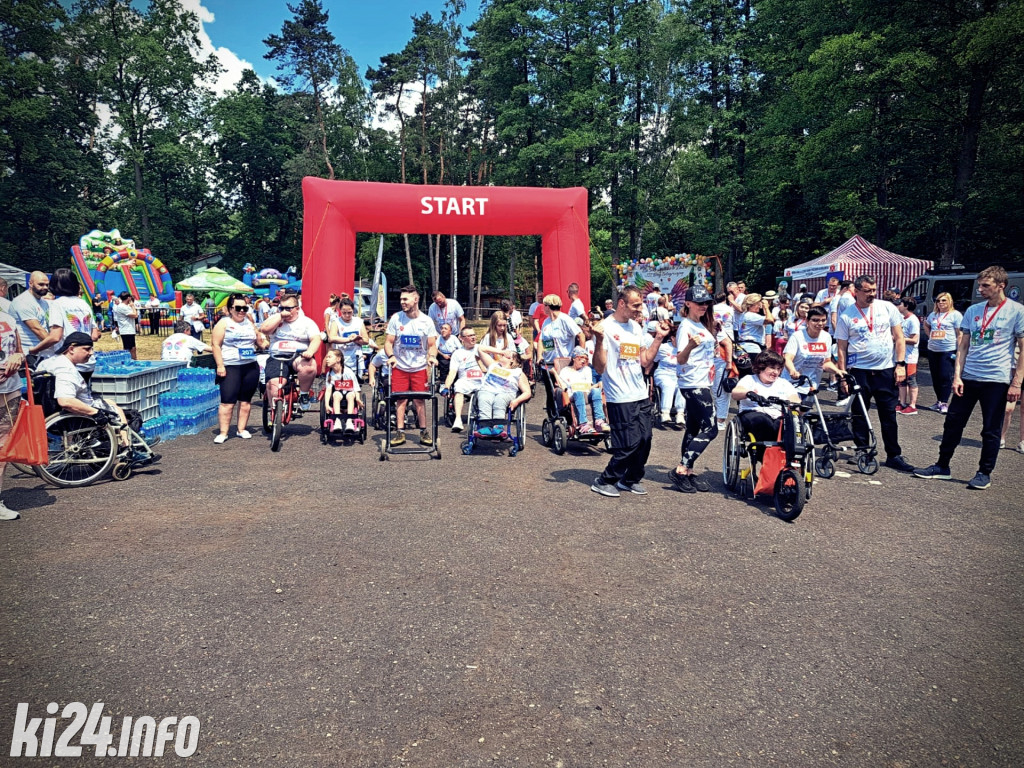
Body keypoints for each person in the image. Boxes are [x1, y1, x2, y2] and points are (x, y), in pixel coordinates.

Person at [914, 266, 1024, 490]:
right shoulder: (974, 311)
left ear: (1001, 285)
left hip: (997, 379)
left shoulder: (1017, 311)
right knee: (953, 422)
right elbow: (963, 346)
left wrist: (1016, 382)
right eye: (980, 285)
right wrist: (957, 376)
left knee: (990, 430)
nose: (980, 289)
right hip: (969, 377)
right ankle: (942, 466)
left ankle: (984, 472)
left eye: (986, 286)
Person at [590, 286, 671, 497]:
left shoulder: (636, 327)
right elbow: (599, 368)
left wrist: (659, 338)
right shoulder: (605, 328)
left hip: (640, 393)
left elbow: (644, 360)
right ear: (621, 303)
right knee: (629, 443)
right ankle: (605, 480)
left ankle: (630, 479)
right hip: (619, 395)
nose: (639, 309)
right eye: (635, 305)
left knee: (645, 441)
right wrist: (598, 341)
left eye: (641, 305)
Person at [835, 274, 914, 473]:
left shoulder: (886, 307)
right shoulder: (847, 315)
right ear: (857, 292)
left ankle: (894, 454)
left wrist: (901, 364)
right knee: (859, 414)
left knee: (888, 414)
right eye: (867, 291)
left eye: (874, 290)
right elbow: (842, 348)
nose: (872, 294)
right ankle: (862, 450)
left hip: (885, 370)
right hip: (859, 371)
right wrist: (843, 375)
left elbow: (899, 337)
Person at [37, 332, 152, 463]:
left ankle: (131, 442)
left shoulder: (49, 362)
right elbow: (65, 401)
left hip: (51, 411)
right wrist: (95, 412)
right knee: (124, 413)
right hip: (77, 415)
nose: (91, 353)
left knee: (109, 402)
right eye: (86, 349)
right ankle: (128, 448)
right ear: (71, 349)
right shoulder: (66, 371)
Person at [670, 286, 719, 492]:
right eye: (699, 303)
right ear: (688, 304)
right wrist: (690, 346)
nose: (704, 306)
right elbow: (680, 359)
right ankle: (681, 469)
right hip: (693, 384)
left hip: (701, 381)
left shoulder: (701, 324)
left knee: (693, 428)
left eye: (706, 302)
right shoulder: (686, 327)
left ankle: (688, 471)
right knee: (711, 429)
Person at [384, 284, 439, 447]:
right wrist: (391, 356)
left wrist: (432, 357)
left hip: (419, 367)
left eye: (405, 299)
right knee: (400, 400)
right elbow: (388, 342)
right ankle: (399, 432)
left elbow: (432, 345)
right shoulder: (396, 318)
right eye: (401, 299)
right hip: (400, 366)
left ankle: (424, 431)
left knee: (419, 400)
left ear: (415, 299)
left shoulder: (426, 321)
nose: (402, 302)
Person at [259, 292, 322, 412]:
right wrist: (280, 316)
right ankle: (275, 412)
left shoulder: (307, 322)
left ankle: (304, 394)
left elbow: (316, 339)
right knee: (273, 385)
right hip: (277, 355)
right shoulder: (276, 319)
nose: (284, 311)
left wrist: (310, 351)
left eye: (288, 308)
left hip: (298, 355)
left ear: (297, 309)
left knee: (309, 366)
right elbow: (264, 330)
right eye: (281, 308)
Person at [211, 295, 260, 443]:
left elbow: (258, 340)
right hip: (230, 365)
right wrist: (220, 365)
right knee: (227, 401)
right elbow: (215, 345)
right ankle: (223, 432)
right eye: (238, 308)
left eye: (245, 308)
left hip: (250, 365)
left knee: (245, 400)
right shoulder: (224, 323)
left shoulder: (249, 322)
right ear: (230, 309)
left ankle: (241, 429)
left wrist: (262, 342)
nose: (241, 311)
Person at [731, 350, 802, 446]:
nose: (776, 372)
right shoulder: (749, 379)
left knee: (788, 423)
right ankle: (765, 455)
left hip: (778, 416)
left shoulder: (784, 383)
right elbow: (735, 393)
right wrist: (748, 393)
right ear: (761, 367)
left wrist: (798, 406)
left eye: (778, 369)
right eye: (772, 368)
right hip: (753, 413)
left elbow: (794, 398)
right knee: (763, 421)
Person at [45, 268, 101, 382]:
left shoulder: (57, 304)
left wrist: (33, 350)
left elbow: (56, 336)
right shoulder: (84, 304)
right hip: (88, 361)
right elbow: (95, 335)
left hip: (69, 361)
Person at [0, 307, 25, 519]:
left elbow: (19, 351)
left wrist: (17, 357)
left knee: (2, 450)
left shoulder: (8, 319)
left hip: (9, 391)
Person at [782, 306, 843, 392]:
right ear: (807, 321)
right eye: (815, 320)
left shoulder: (826, 337)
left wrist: (837, 371)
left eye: (823, 320)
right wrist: (792, 371)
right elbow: (787, 358)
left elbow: (826, 362)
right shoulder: (797, 336)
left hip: (812, 385)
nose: (820, 323)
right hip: (793, 383)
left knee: (809, 405)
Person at [921, 292, 962, 413]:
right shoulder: (933, 315)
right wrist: (930, 336)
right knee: (935, 377)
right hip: (933, 349)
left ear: (949, 301)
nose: (940, 303)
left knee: (945, 376)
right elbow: (926, 325)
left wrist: (959, 348)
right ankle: (938, 401)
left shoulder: (955, 315)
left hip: (947, 349)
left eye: (944, 300)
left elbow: (959, 333)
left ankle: (944, 402)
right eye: (938, 301)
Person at [474, 349, 531, 436]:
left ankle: (498, 428)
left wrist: (516, 401)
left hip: (506, 393)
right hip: (487, 390)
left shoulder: (518, 372)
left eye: (507, 354)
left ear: (512, 359)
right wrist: (500, 352)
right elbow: (480, 349)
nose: (503, 355)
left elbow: (527, 392)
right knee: (484, 398)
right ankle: (485, 427)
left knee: (499, 400)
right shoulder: (493, 365)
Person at [443, 326, 484, 432]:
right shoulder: (457, 353)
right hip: (465, 380)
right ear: (461, 338)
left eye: (474, 335)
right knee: (458, 388)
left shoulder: (481, 348)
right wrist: (447, 387)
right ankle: (458, 420)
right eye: (470, 336)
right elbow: (452, 372)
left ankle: (486, 420)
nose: (473, 338)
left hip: (481, 379)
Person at [558, 346, 607, 433]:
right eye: (581, 358)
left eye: (586, 359)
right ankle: (583, 423)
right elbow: (562, 385)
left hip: (586, 393)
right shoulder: (565, 371)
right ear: (574, 358)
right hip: (572, 394)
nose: (584, 361)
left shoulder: (587, 370)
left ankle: (599, 421)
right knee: (579, 393)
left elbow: (588, 386)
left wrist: (597, 385)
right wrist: (554, 373)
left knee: (596, 391)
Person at [11, 270, 55, 362]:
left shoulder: (43, 302)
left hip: (42, 352)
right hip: (28, 353)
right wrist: (57, 346)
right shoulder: (23, 302)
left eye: (47, 285)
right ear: (30, 284)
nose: (45, 287)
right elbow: (37, 330)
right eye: (41, 284)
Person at [537, 295, 585, 373]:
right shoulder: (546, 322)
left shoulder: (566, 319)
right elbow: (541, 340)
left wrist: (581, 356)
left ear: (548, 306)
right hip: (547, 365)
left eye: (544, 305)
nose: (543, 308)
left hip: (565, 365)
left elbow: (581, 335)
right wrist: (539, 356)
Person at [650, 320, 684, 427]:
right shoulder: (664, 348)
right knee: (668, 384)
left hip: (678, 375)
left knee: (682, 385)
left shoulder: (685, 349)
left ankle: (680, 413)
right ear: (672, 338)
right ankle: (665, 412)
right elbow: (654, 360)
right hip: (663, 373)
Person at [325, 297, 369, 377]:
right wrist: (349, 339)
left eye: (349, 312)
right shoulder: (336, 322)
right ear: (340, 311)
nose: (347, 315)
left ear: (353, 310)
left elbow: (366, 340)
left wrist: (356, 340)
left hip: (356, 358)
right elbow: (331, 338)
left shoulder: (358, 321)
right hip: (341, 359)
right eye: (344, 313)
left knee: (355, 384)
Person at [323, 348, 362, 433]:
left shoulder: (348, 372)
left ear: (338, 359)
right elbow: (328, 390)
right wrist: (326, 404)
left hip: (350, 393)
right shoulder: (329, 374)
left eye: (329, 357)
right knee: (336, 394)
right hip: (338, 394)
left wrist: (358, 399)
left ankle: (349, 421)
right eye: (326, 357)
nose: (327, 359)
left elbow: (356, 387)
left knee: (350, 395)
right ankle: (337, 421)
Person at [711, 292, 735, 430]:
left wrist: (729, 363)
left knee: (721, 390)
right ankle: (715, 416)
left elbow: (728, 343)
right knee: (713, 391)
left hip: (721, 360)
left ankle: (721, 419)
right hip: (709, 363)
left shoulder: (718, 329)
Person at [896, 298, 921, 414]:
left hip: (910, 356)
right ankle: (902, 403)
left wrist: (899, 339)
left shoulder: (913, 320)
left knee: (911, 380)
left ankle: (913, 404)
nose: (899, 306)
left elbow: (914, 340)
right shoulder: (902, 319)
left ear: (906, 306)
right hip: (902, 356)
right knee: (901, 381)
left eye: (900, 304)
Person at [112, 291, 138, 359]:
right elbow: (135, 315)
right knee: (129, 349)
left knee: (133, 348)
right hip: (126, 330)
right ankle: (129, 361)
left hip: (130, 329)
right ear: (128, 298)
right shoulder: (122, 307)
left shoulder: (125, 306)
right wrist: (133, 306)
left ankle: (134, 361)